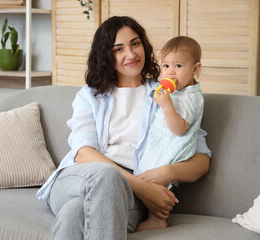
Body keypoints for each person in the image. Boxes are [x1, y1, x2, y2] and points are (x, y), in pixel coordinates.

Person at [36, 16, 211, 240]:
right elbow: (83, 153)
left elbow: (201, 159)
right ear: (107, 56)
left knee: (73, 213)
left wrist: (165, 173)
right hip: (80, 177)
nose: (131, 54)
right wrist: (142, 188)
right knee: (107, 176)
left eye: (135, 43)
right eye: (119, 49)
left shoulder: (167, 95)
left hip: (129, 192)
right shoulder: (90, 96)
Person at [134, 36, 204, 231]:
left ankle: (157, 219)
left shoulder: (192, 97)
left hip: (174, 148)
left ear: (195, 69)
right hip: (159, 143)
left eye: (178, 66)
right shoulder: (172, 92)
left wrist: (166, 105)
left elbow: (179, 128)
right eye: (165, 66)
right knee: (146, 176)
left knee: (159, 183)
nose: (170, 72)